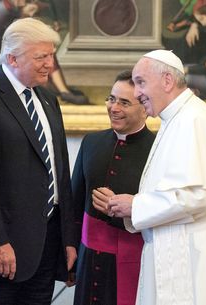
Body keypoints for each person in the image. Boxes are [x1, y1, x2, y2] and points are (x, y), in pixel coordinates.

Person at [102, 50, 206, 305]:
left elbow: (199, 196)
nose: (136, 93)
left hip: (197, 260)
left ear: (167, 81)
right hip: (181, 250)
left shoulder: (193, 120)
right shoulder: (176, 119)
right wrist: (132, 208)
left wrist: (135, 205)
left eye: (141, 82)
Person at [0, 17, 78, 305]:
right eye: (41, 57)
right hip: (6, 245)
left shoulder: (48, 99)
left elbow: (60, 172)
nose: (50, 64)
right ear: (12, 58)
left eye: (51, 56)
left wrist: (67, 239)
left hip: (48, 241)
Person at [72, 71, 155, 305]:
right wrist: (69, 252)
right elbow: (75, 202)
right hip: (88, 258)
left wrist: (123, 210)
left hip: (134, 258)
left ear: (145, 108)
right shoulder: (91, 142)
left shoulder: (158, 150)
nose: (114, 107)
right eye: (111, 99)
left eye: (124, 102)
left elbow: (166, 209)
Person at [0, 0, 90, 105]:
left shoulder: (17, 9)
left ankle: (63, 91)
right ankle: (62, 90)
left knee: (41, 46)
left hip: (14, 59)